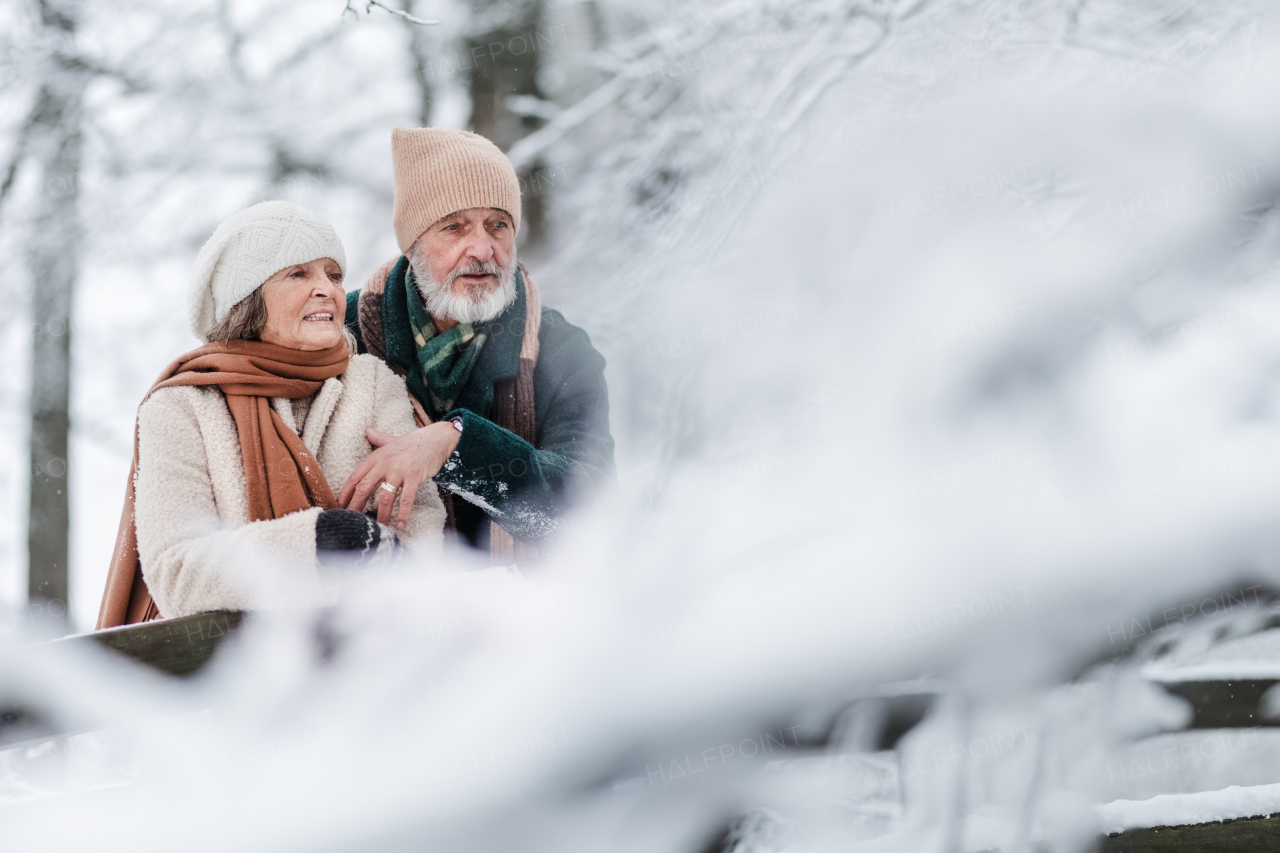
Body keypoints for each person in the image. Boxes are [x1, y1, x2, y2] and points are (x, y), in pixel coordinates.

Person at [96, 201, 445, 629]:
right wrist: (321, 545)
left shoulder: (374, 382)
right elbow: (178, 571)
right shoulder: (180, 405)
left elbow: (419, 536)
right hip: (230, 672)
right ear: (247, 297)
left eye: (333, 274)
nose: (328, 290)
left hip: (370, 654)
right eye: (299, 273)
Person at [341, 127, 615, 563]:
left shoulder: (563, 351)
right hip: (375, 611)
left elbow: (587, 510)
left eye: (498, 225)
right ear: (413, 244)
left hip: (517, 615)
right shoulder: (342, 332)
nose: (484, 249)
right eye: (455, 226)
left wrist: (456, 444)